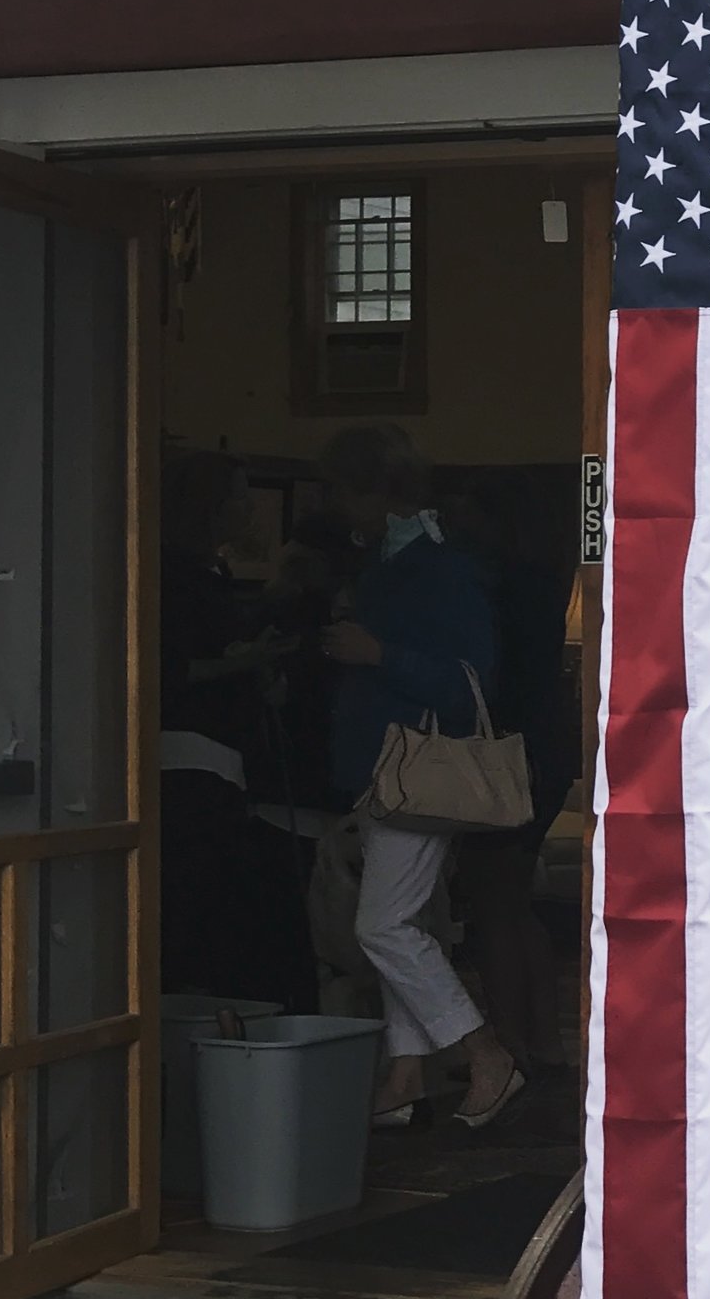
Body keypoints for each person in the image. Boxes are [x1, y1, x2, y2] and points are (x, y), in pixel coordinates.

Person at [319, 425, 524, 1131]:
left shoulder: (434, 568)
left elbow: (470, 679)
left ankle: (483, 1051)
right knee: (397, 920)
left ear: (373, 494)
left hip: (409, 768)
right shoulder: (406, 559)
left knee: (382, 926)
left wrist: (377, 654)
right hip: (393, 769)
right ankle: (405, 1073)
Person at [158, 450, 314, 1013]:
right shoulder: (175, 575)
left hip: (217, 756)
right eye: (239, 497)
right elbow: (169, 670)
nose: (249, 509)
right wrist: (246, 663)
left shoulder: (205, 572)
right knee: (199, 902)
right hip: (191, 761)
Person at [444, 487, 578, 1077]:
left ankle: (511, 1042)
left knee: (494, 897)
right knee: (512, 899)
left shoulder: (491, 589)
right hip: (544, 745)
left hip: (506, 751)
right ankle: (542, 1040)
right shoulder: (544, 584)